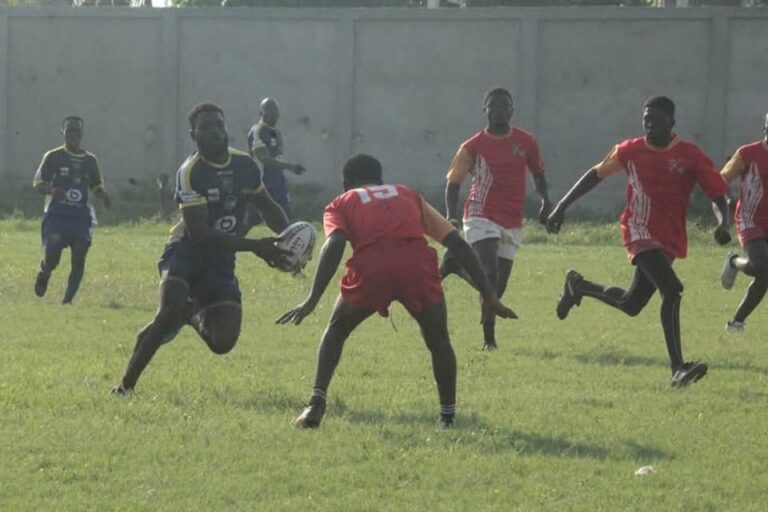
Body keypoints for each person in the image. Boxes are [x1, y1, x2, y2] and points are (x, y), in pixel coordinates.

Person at [277, 153, 517, 429]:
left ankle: (316, 404)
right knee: (438, 339)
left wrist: (312, 299)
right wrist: (489, 295)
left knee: (337, 329)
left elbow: (335, 243)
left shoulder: (341, 202)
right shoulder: (407, 194)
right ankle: (448, 417)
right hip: (417, 266)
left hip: (372, 268)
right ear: (381, 180)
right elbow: (457, 243)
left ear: (345, 185)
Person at [546, 96, 731, 387]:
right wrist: (561, 206)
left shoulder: (690, 154)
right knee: (672, 290)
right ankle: (678, 369)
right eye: (646, 120)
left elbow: (719, 196)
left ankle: (578, 286)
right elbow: (595, 175)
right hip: (638, 230)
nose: (650, 125)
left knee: (631, 304)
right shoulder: (630, 150)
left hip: (668, 237)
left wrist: (723, 223)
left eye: (656, 120)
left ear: (672, 122)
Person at [113, 103, 289, 395]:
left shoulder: (244, 165)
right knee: (167, 313)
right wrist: (256, 247)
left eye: (219, 125)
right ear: (193, 135)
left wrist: (290, 238)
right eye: (206, 127)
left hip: (222, 258)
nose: (215, 132)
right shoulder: (190, 172)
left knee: (223, 342)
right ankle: (124, 387)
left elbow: (267, 206)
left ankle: (190, 313)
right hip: (186, 250)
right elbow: (201, 234)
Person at [441, 87, 551, 351]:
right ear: (485, 110)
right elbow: (453, 184)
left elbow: (538, 175)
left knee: (497, 288)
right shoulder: (472, 145)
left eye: (505, 106)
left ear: (512, 110)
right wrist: (450, 216)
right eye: (494, 106)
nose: (499, 111)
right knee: (489, 273)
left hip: (511, 219)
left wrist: (546, 201)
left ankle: (456, 266)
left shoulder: (526, 142)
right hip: (480, 214)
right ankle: (489, 341)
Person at [33, 116, 112, 304]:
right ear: (64, 133)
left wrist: (104, 195)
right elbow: (38, 183)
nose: (73, 135)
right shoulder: (53, 156)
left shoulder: (90, 160)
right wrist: (52, 191)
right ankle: (45, 272)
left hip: (80, 216)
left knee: (80, 253)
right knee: (53, 257)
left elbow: (95, 185)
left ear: (82, 134)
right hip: (57, 214)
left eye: (76, 131)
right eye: (69, 131)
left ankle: (67, 301)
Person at [718, 111, 768, 333]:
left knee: (765, 275)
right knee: (762, 266)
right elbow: (720, 180)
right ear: (765, 126)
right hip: (750, 217)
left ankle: (737, 322)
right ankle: (733, 261)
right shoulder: (748, 153)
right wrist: (727, 199)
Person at [245, 97, 306, 229]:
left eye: (276, 110)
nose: (274, 113)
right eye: (269, 110)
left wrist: (282, 177)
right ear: (261, 112)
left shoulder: (276, 133)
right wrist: (290, 167)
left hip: (277, 183)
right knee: (251, 219)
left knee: (285, 217)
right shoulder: (258, 131)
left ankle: (287, 241)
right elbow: (264, 159)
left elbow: (277, 158)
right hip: (262, 183)